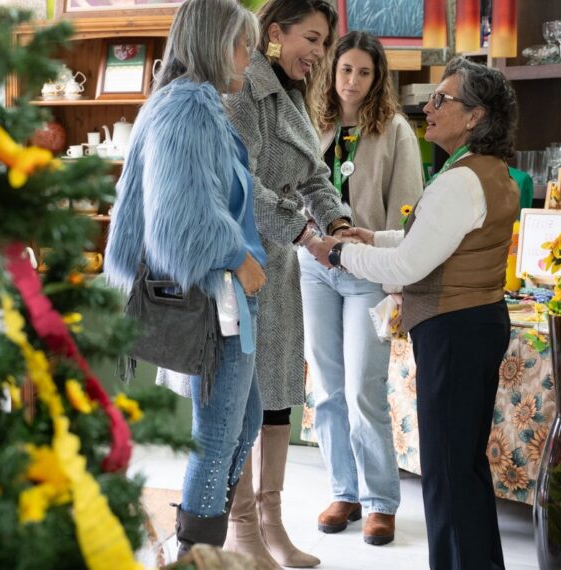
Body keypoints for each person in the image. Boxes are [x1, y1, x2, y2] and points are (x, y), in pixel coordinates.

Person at [307, 56, 519, 570]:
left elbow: (407, 265)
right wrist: (371, 237)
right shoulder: (489, 173)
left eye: (442, 98)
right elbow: (434, 241)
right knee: (463, 467)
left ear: (475, 116)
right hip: (477, 323)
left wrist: (337, 252)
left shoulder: (460, 180)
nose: (430, 106)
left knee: (448, 472)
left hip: (454, 330)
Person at [102, 0, 266, 557]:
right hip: (220, 297)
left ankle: (200, 549)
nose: (248, 57)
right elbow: (181, 220)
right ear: (214, 43)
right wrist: (238, 257)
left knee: (242, 423)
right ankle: (197, 555)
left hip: (227, 299)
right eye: (242, 45)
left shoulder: (188, 102)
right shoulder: (190, 105)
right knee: (217, 439)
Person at [222, 1, 352, 567]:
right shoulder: (243, 88)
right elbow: (239, 183)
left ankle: (270, 520)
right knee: (239, 402)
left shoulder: (292, 94)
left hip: (279, 266)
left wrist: (339, 223)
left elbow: (314, 176)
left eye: (325, 43)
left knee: (277, 399)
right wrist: (304, 231)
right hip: (239, 263)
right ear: (275, 32)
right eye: (313, 39)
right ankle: (241, 527)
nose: (320, 54)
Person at [297, 30, 424, 548]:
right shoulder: (311, 123)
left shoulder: (394, 130)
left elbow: (408, 211)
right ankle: (344, 493)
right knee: (326, 389)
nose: (352, 80)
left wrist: (397, 280)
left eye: (364, 72)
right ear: (332, 72)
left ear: (377, 79)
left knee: (361, 388)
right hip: (313, 267)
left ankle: (379, 502)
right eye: (345, 69)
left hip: (367, 272)